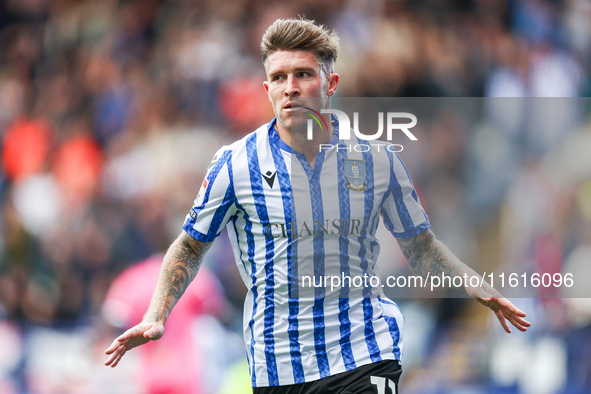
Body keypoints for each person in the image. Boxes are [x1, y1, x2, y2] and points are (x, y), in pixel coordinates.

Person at [105, 18, 530, 393]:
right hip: (280, 367)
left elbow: (420, 246)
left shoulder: (378, 160)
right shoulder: (234, 165)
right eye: (280, 77)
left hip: (365, 351)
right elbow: (189, 246)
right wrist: (157, 315)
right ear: (267, 88)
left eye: (304, 74)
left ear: (330, 84)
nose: (291, 87)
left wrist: (474, 284)